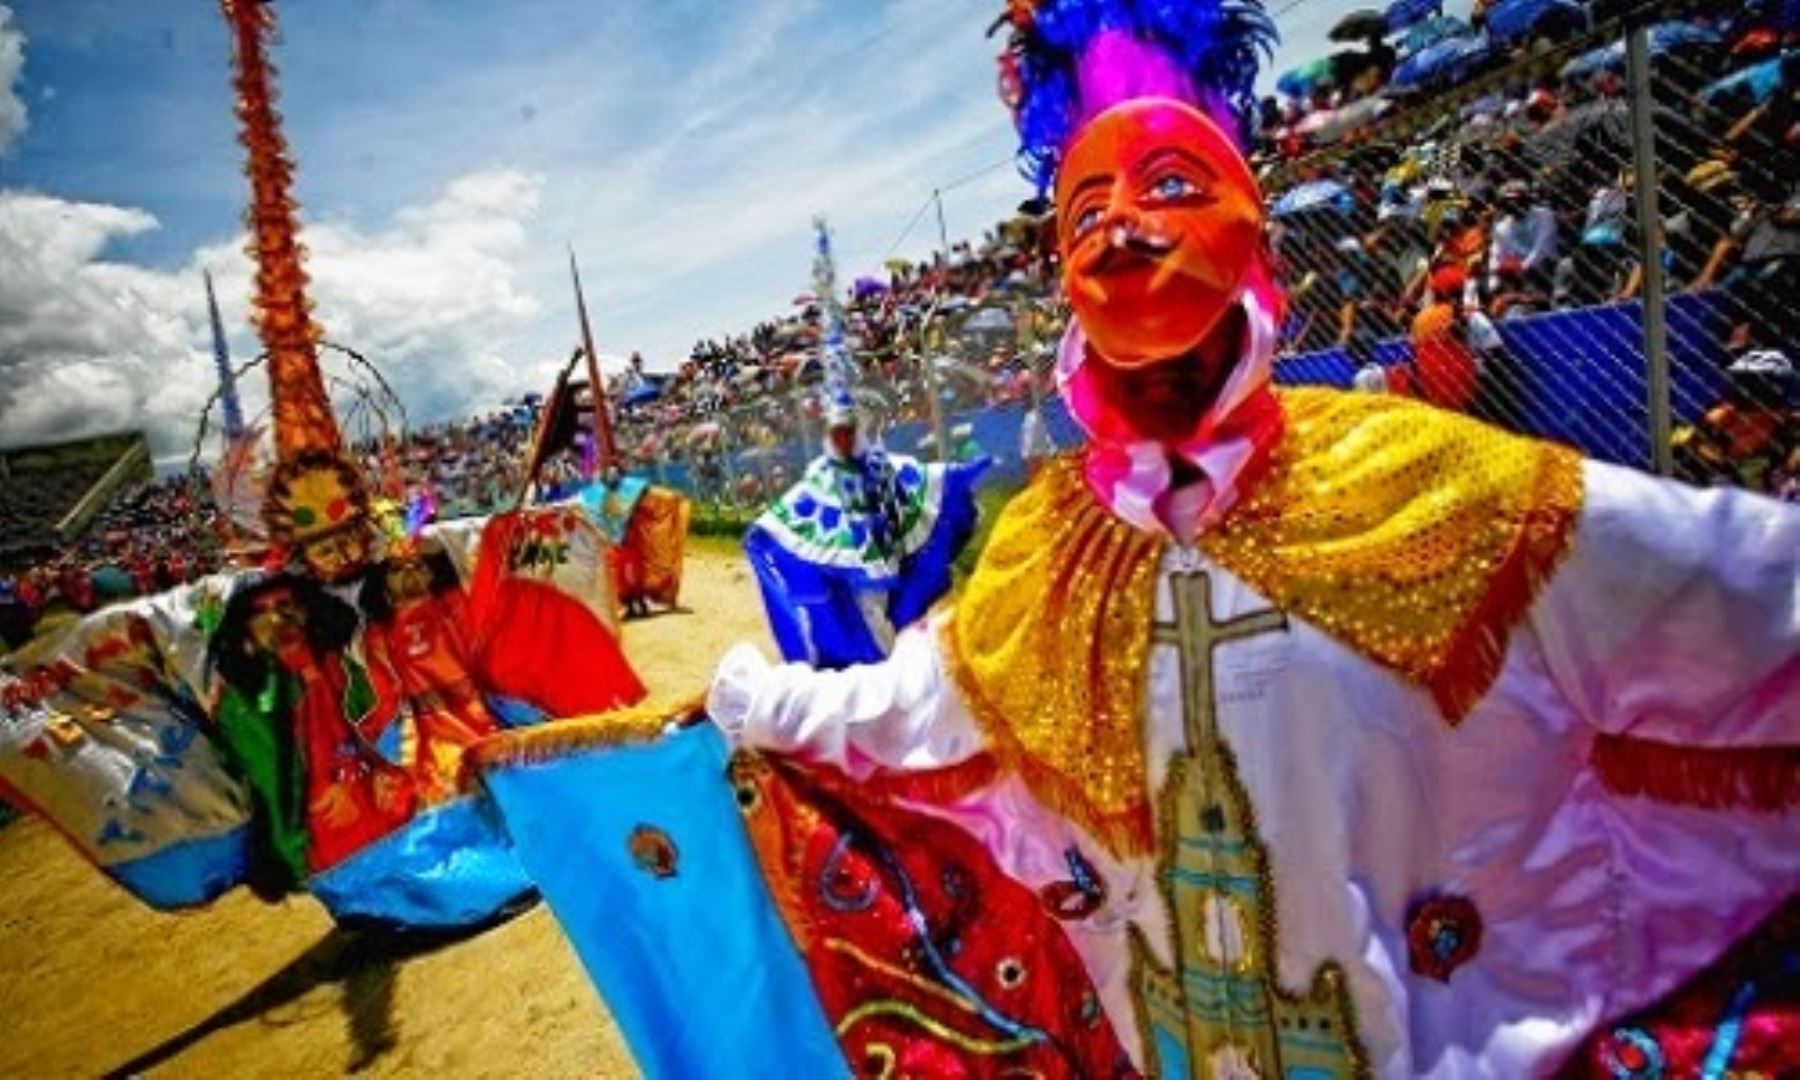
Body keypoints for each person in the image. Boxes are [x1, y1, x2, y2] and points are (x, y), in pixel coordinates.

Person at [703, 3, 1799, 1075]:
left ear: (1253, 240)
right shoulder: (1048, 551)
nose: (1126, 231)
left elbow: (1753, 605)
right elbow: (909, 711)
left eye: (1171, 186)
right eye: (1086, 214)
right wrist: (752, 703)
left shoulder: (1444, 491)